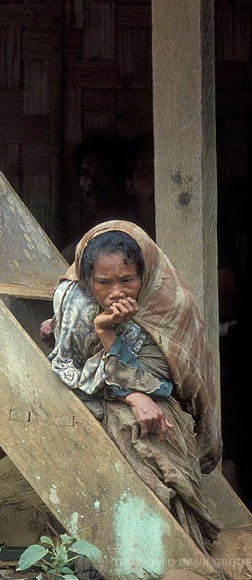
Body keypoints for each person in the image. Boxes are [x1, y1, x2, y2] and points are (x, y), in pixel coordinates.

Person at [48, 220, 221, 553]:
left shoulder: (169, 305)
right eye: (103, 282)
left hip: (160, 399)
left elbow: (160, 382)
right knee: (117, 434)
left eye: (127, 280)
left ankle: (177, 552)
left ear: (145, 275)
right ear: (86, 280)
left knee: (156, 435)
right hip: (96, 396)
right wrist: (128, 388)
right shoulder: (75, 300)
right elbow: (67, 366)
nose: (116, 293)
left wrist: (111, 344)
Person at [62, 135, 137, 261]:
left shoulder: (131, 223)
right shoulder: (93, 222)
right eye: (85, 174)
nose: (91, 182)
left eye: (101, 173)